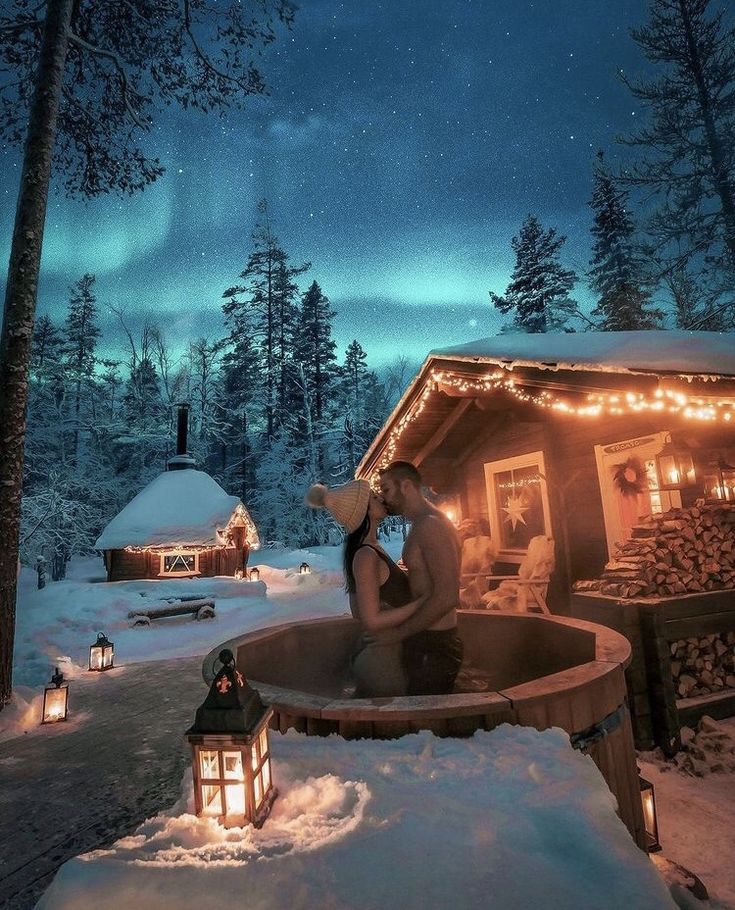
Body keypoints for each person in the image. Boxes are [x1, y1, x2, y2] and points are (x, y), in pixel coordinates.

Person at [306, 479, 425, 697]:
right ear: (364, 512)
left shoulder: (371, 550)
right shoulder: (365, 556)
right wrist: (421, 604)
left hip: (389, 656)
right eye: (373, 497)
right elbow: (371, 620)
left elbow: (359, 610)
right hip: (383, 663)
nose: (380, 497)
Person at [376, 461, 464, 695]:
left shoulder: (431, 526)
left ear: (405, 486)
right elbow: (425, 585)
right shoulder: (423, 524)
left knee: (424, 727)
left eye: (386, 490)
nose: (383, 498)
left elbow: (447, 596)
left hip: (435, 645)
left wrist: (399, 633)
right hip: (426, 639)